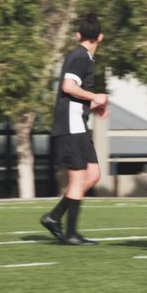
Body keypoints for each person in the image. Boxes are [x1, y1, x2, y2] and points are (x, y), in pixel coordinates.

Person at [34, 13, 109, 246]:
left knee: (93, 175)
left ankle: (55, 217)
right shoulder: (80, 56)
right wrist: (94, 96)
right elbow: (69, 86)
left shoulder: (82, 56)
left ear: (78, 34)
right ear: (100, 37)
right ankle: (71, 234)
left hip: (78, 124)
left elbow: (73, 96)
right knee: (78, 179)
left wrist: (94, 106)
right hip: (71, 126)